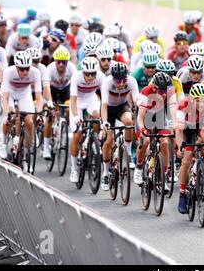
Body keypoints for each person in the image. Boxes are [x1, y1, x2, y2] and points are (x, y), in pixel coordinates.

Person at [175, 83, 204, 213]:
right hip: (186, 129)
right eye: (198, 101)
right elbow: (178, 131)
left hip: (200, 125)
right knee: (186, 160)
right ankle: (182, 194)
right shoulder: (184, 105)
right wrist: (180, 147)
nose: (201, 103)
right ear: (192, 99)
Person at [0, 51, 43, 166]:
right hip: (10, 93)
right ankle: (3, 143)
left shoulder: (35, 72)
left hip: (24, 93)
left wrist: (39, 112)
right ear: (16, 67)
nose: (25, 71)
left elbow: (38, 96)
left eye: (27, 68)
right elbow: (5, 97)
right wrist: (7, 113)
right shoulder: (9, 72)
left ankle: (25, 152)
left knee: (28, 121)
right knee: (11, 117)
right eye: (22, 69)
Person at [133, 72, 177, 188]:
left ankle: (163, 176)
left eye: (165, 91)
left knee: (164, 142)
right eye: (161, 91)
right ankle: (138, 166)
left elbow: (172, 112)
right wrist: (143, 130)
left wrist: (175, 127)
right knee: (146, 141)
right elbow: (140, 117)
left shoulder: (171, 92)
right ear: (154, 88)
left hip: (159, 115)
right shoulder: (146, 92)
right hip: (144, 116)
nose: (163, 94)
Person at [100, 62, 139, 190]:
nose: (121, 83)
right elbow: (104, 106)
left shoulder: (132, 81)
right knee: (109, 140)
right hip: (109, 110)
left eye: (124, 79)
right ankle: (105, 173)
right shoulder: (107, 83)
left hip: (122, 107)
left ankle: (127, 152)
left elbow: (137, 101)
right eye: (118, 80)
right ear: (113, 78)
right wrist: (105, 122)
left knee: (129, 122)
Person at [69, 57, 105, 183]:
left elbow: (104, 99)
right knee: (77, 135)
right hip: (77, 102)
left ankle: (93, 141)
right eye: (87, 74)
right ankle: (74, 169)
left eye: (93, 74)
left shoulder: (101, 77)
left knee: (97, 116)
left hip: (91, 99)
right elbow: (72, 99)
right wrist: (75, 116)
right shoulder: (76, 77)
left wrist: (103, 117)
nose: (90, 77)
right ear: (82, 72)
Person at [41, 46, 77, 160]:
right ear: (55, 61)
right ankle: (46, 147)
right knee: (50, 116)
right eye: (59, 62)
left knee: (67, 109)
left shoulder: (72, 68)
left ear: (67, 62)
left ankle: (64, 130)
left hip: (65, 90)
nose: (61, 64)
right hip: (52, 90)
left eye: (64, 62)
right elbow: (46, 88)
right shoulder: (50, 69)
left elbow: (75, 87)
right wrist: (50, 102)